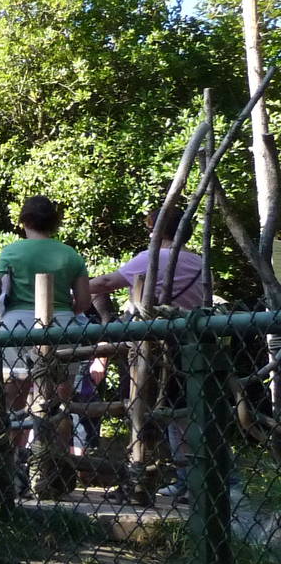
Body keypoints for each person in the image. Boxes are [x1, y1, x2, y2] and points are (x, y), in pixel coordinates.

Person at [89, 197, 218, 502]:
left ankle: (142, 477)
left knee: (143, 412)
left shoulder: (152, 257)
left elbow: (109, 281)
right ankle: (191, 478)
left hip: (154, 349)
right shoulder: (201, 264)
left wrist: (75, 289)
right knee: (184, 414)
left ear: (157, 231)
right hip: (191, 345)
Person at [0, 196, 92, 466]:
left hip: (16, 326)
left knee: (14, 399)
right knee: (59, 402)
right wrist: (63, 311)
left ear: (23, 220)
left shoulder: (10, 252)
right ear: (55, 222)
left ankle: (12, 466)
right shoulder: (70, 254)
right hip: (62, 325)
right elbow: (84, 301)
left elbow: (0, 295)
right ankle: (56, 468)